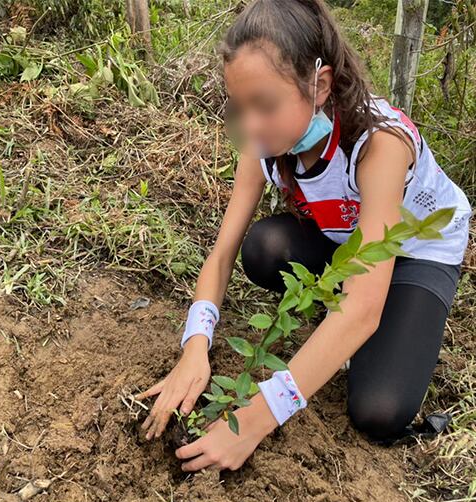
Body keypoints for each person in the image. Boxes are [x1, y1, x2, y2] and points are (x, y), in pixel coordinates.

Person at [139, 0, 472, 472]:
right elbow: (222, 254)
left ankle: (404, 311)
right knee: (263, 249)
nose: (251, 126)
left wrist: (255, 419)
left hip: (417, 251)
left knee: (379, 410)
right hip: (346, 240)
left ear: (320, 85)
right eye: (240, 107)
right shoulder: (263, 141)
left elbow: (363, 306)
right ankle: (339, 314)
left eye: (266, 105)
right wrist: (195, 346)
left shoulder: (378, 144)